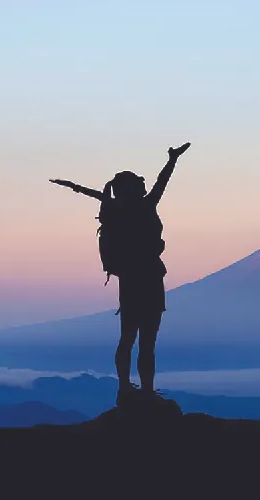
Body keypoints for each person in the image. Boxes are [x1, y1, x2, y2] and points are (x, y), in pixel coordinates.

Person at [50, 143, 191, 406]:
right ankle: (146, 391)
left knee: (128, 337)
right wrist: (172, 160)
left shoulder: (115, 210)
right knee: (147, 340)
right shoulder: (145, 206)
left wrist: (74, 187)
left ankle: (125, 387)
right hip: (150, 278)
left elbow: (98, 196)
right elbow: (162, 183)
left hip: (129, 281)